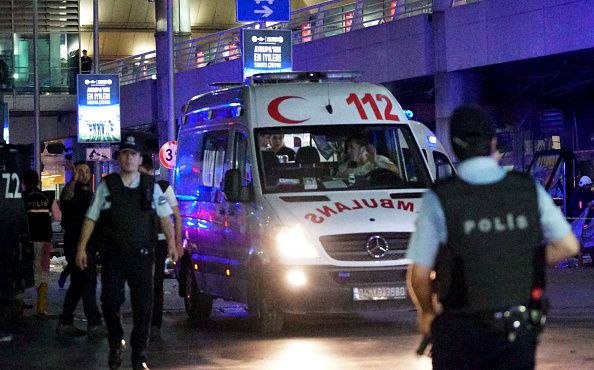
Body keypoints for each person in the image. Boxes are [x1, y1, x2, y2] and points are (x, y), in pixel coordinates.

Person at [406, 106, 580, 370]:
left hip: (459, 332)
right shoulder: (527, 189)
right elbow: (568, 246)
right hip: (515, 331)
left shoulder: (439, 198)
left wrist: (427, 313)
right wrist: (521, 259)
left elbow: (419, 275)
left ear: (453, 146)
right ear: (493, 142)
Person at [75, 136, 179, 370]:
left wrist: (172, 243)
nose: (129, 158)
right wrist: (81, 248)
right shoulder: (107, 185)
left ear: (140, 159)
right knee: (110, 302)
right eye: (124, 153)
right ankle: (115, 342)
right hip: (113, 255)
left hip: (142, 255)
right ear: (118, 158)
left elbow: (165, 217)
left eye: (133, 154)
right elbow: (91, 217)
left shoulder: (150, 186)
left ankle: (139, 355)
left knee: (144, 306)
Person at [56, 161, 105, 337]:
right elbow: (66, 197)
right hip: (76, 244)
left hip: (89, 244)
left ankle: (65, 322)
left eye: (86, 171)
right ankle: (94, 323)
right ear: (74, 172)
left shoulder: (90, 193)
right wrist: (73, 180)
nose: (83, 174)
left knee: (77, 284)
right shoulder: (70, 190)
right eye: (80, 171)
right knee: (88, 282)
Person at [138, 154, 182, 341]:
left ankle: (155, 325)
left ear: (150, 171)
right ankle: (145, 322)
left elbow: (176, 216)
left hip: (160, 241)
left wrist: (177, 243)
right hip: (139, 242)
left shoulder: (163, 188)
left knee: (155, 282)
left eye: (143, 173)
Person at [22, 169, 61, 318]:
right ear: (38, 181)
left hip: (27, 239)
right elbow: (57, 216)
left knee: (25, 269)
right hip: (45, 238)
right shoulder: (47, 196)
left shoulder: (22, 197)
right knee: (43, 271)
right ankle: (41, 308)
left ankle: (20, 305)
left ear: (24, 183)